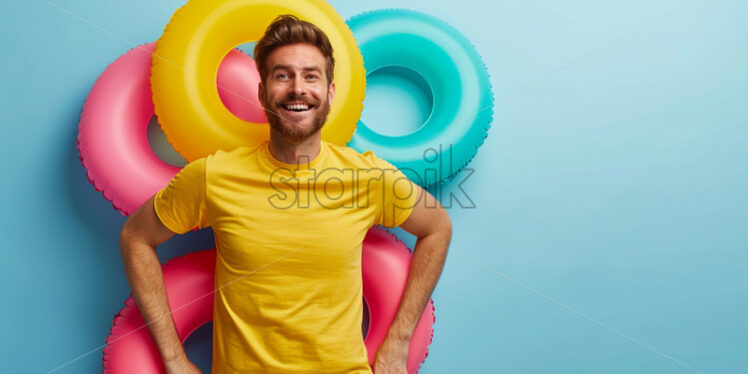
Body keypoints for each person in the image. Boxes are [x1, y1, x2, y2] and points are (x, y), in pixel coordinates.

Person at [119, 15, 452, 374]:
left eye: (311, 76)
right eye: (283, 75)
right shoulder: (213, 176)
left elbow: (437, 226)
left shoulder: (368, 178)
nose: (298, 88)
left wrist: (398, 343)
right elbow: (135, 237)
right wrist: (173, 358)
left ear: (330, 92)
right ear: (262, 92)